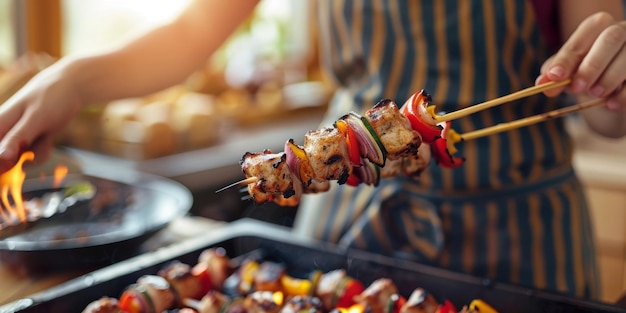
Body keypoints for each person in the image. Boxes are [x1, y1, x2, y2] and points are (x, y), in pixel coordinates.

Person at [0, 0, 624, 300]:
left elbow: (600, 112)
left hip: (520, 236)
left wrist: (614, 85)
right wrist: (75, 79)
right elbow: (196, 31)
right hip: (351, 225)